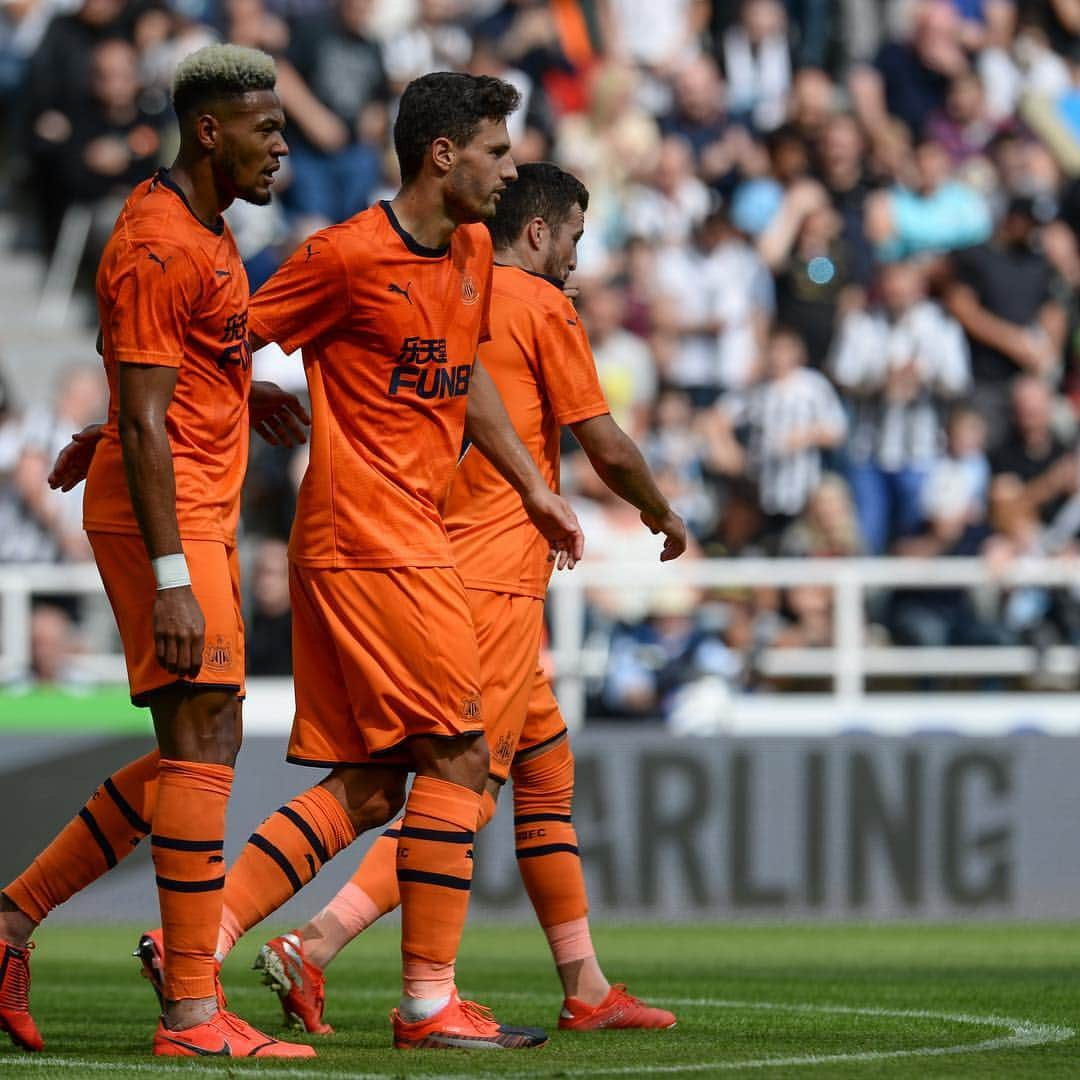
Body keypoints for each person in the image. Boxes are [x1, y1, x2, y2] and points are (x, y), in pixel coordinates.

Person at [139, 72, 584, 1053]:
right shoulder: (342, 257)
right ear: (443, 155)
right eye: (499, 152)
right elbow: (225, 332)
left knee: (383, 784)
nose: (511, 171)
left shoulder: (469, 250)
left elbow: (467, 389)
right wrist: (232, 398)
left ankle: (198, 943)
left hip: (401, 536)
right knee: (465, 754)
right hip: (366, 536)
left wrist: (535, 488)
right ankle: (428, 1002)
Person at [250, 162, 686, 1036]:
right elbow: (603, 439)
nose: (576, 258)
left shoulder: (457, 285)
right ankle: (315, 948)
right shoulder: (532, 303)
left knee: (542, 766)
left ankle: (587, 986)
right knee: (453, 790)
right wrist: (661, 513)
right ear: (538, 231)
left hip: (444, 556)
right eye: (573, 237)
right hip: (483, 578)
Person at [0, 44, 314, 1059]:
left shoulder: (207, 231)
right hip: (159, 521)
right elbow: (138, 420)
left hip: (189, 506)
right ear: (209, 130)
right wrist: (174, 581)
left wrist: (237, 384)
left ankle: (10, 926)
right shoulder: (155, 242)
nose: (282, 146)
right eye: (266, 129)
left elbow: (172, 376)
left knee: (204, 745)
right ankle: (188, 1010)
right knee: (205, 740)